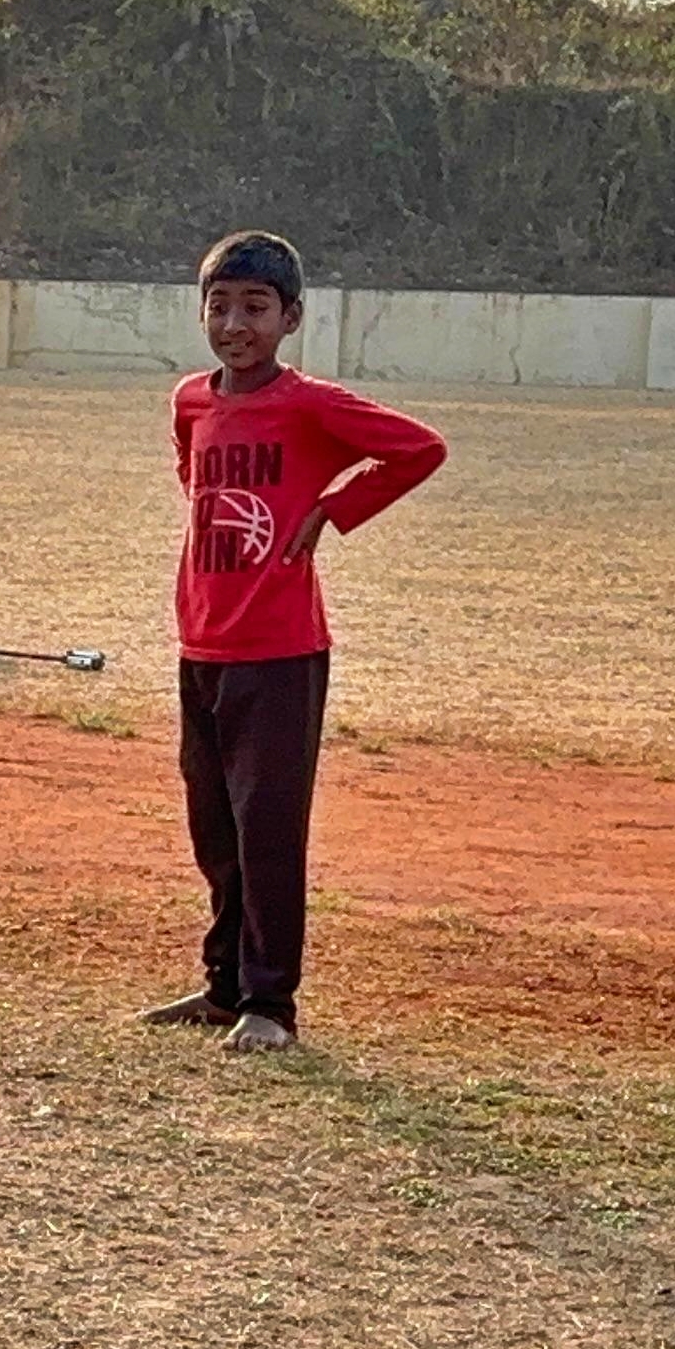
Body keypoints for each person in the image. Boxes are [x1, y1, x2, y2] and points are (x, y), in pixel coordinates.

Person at [139, 231, 446, 1053]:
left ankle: (272, 1006)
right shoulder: (192, 401)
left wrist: (333, 509)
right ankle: (222, 987)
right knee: (216, 831)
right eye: (220, 305)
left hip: (279, 653)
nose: (235, 323)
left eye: (256, 307)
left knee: (268, 829)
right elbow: (194, 478)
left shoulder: (309, 404)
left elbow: (419, 449)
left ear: (292, 318)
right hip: (201, 643)